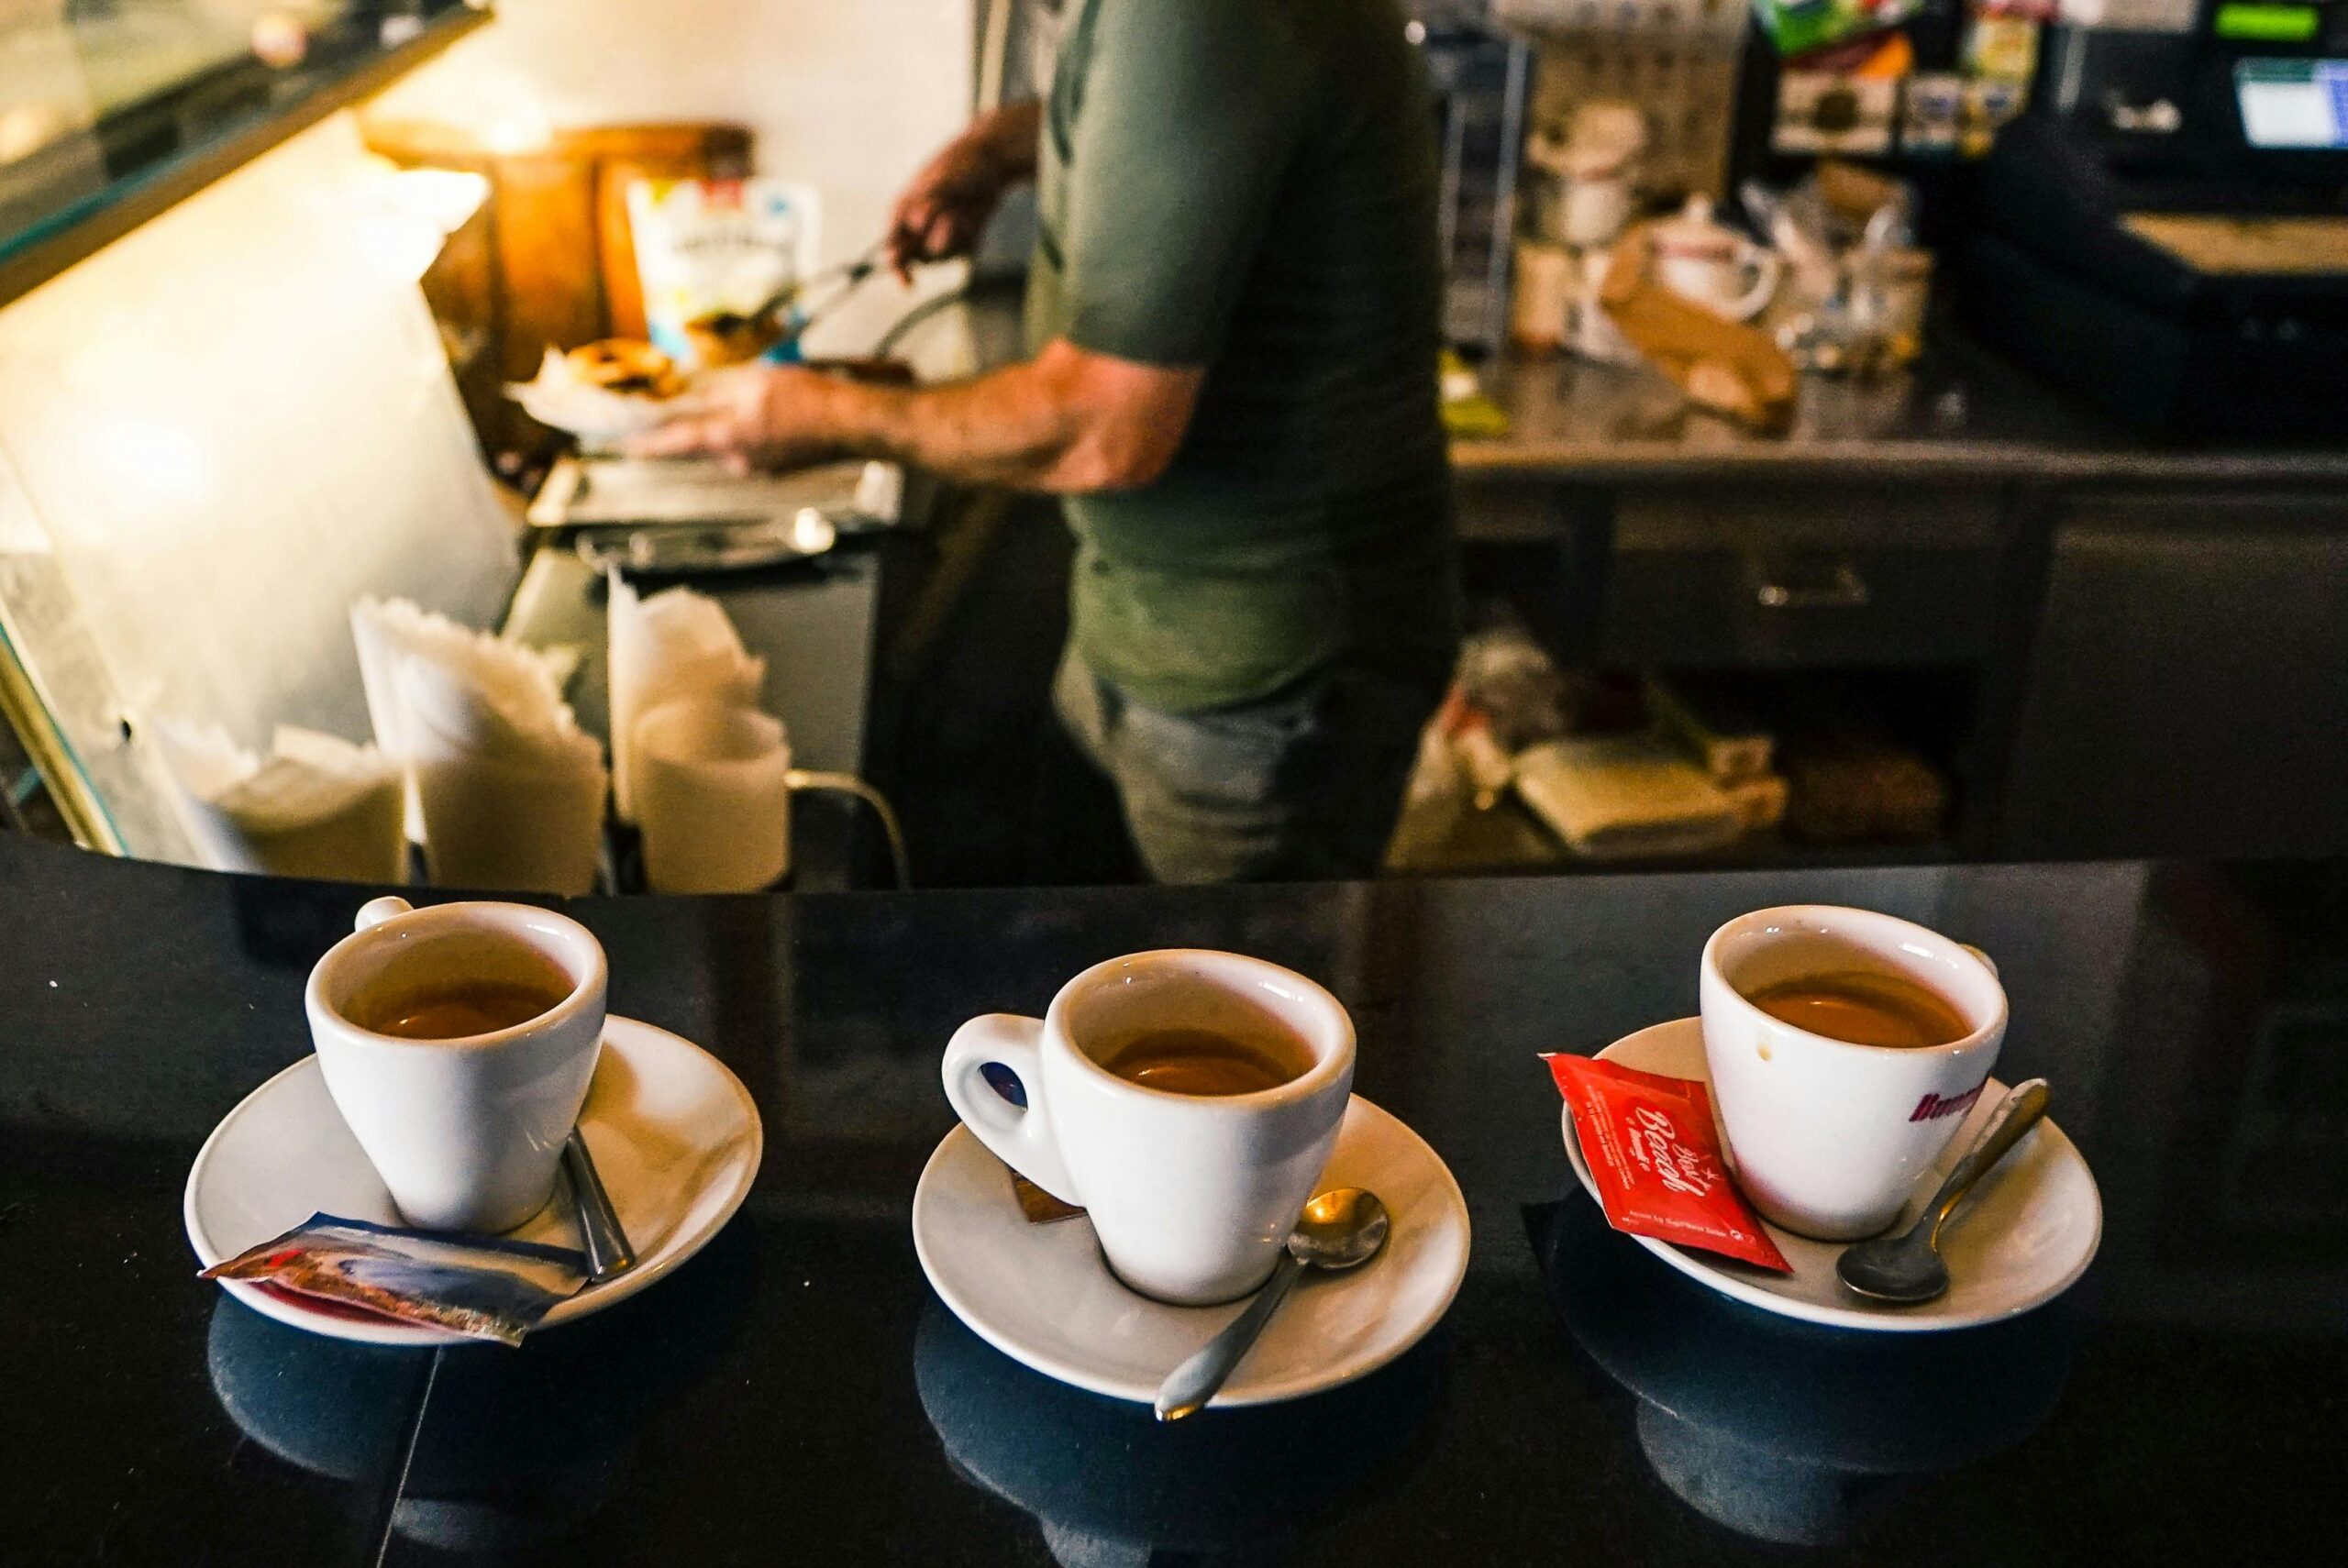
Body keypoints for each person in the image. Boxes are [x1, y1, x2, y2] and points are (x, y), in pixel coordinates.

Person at [639, 0, 1459, 883]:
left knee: (1228, 1007)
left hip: (1263, 675)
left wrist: (819, 415)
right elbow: (1201, 112)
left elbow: (1104, 428)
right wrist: (1008, 144)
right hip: (1152, 615)